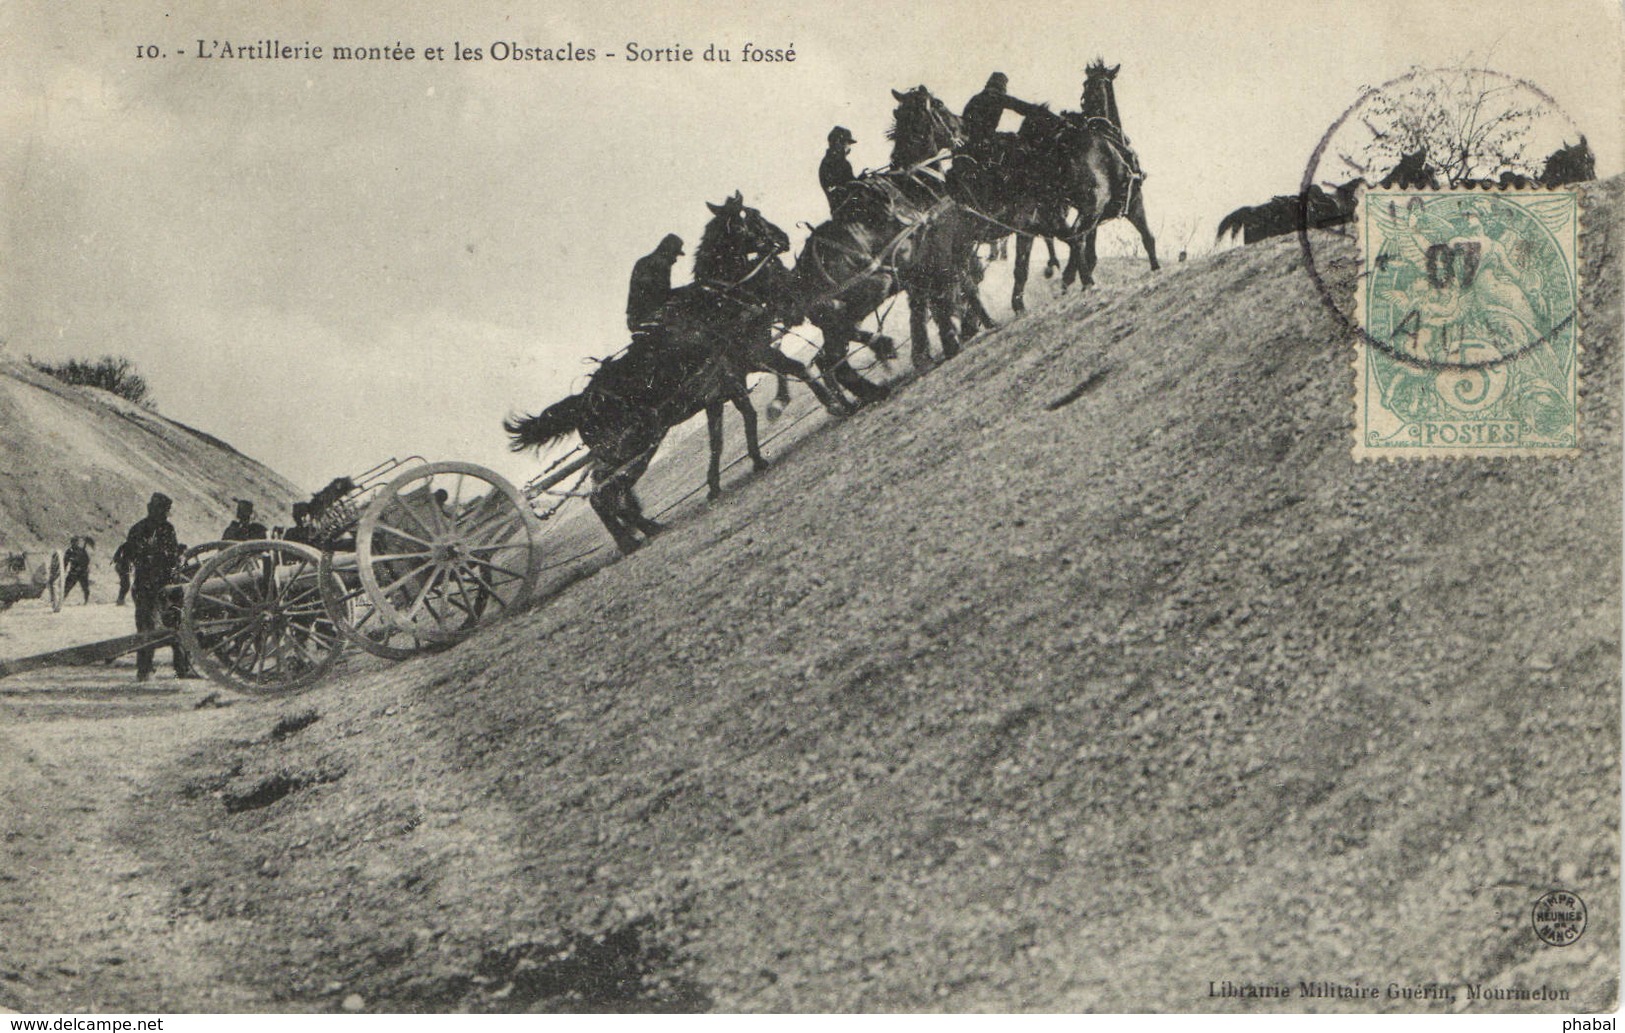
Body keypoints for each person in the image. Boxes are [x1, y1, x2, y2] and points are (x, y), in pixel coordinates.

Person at [123, 492, 197, 681]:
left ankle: (179, 667)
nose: (163, 514)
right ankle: (146, 670)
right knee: (148, 627)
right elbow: (131, 555)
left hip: (163, 584)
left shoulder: (165, 528)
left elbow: (171, 554)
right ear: (152, 509)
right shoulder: (140, 529)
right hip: (148, 585)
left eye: (164, 511)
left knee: (176, 623)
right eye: (161, 510)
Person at [625, 234, 685, 340]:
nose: (675, 260)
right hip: (644, 316)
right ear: (667, 251)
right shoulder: (656, 264)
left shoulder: (650, 263)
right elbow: (656, 294)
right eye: (674, 254)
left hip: (641, 316)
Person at [819, 126, 859, 218]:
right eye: (848, 143)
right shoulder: (837, 162)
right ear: (838, 143)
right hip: (846, 210)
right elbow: (845, 186)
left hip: (840, 209)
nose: (849, 147)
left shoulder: (828, 161)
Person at [63, 536, 91, 605]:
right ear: (71, 543)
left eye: (76, 542)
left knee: (85, 588)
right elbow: (65, 561)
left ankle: (86, 601)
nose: (75, 543)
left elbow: (87, 560)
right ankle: (62, 600)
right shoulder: (69, 551)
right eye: (73, 542)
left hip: (82, 572)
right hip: (73, 572)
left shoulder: (82, 550)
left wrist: (82, 567)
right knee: (67, 587)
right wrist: (64, 569)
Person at [113, 539, 133, 605]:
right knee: (125, 584)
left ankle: (120, 599)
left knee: (125, 584)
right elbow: (116, 557)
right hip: (123, 567)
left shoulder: (125, 546)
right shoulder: (126, 546)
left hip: (123, 566)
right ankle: (120, 600)